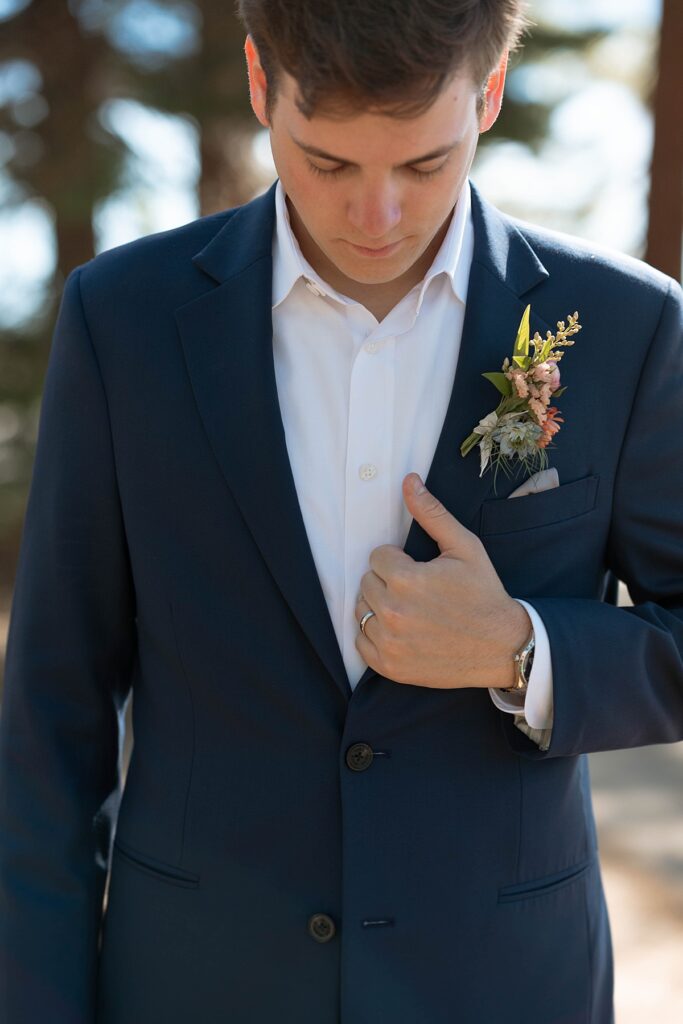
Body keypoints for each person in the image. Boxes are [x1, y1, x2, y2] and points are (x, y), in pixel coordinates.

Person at [0, 1, 681, 1021]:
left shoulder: (623, 327)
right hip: (194, 986)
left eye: (421, 164)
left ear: (487, 93)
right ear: (256, 82)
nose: (376, 217)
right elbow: (51, 719)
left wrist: (521, 651)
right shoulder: (123, 320)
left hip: (497, 986)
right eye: (326, 164)